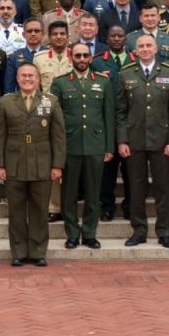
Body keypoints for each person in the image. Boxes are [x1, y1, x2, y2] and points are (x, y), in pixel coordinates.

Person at [114, 32, 169, 248]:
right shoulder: (126, 74)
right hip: (134, 140)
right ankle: (139, 231)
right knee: (136, 188)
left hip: (162, 140)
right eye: (141, 46)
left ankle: (164, 232)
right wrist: (122, 140)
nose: (145, 49)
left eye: (148, 45)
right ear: (135, 50)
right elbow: (120, 112)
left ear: (156, 49)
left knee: (163, 188)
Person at [0, 62, 65, 266]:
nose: (27, 79)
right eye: (23, 75)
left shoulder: (50, 101)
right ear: (17, 79)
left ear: (38, 78)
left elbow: (58, 136)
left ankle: (37, 252)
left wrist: (57, 165)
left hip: (42, 164)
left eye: (31, 75)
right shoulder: (6, 102)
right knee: (16, 212)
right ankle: (18, 252)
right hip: (13, 164)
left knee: (40, 211)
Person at [51, 42, 116, 250]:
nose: (81, 59)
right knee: (68, 194)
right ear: (71, 58)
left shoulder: (103, 81)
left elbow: (109, 116)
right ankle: (71, 233)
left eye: (85, 55)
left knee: (93, 194)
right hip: (69, 146)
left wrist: (109, 147)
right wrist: (55, 148)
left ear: (90, 58)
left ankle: (89, 234)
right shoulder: (60, 82)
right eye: (77, 55)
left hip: (96, 145)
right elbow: (53, 117)